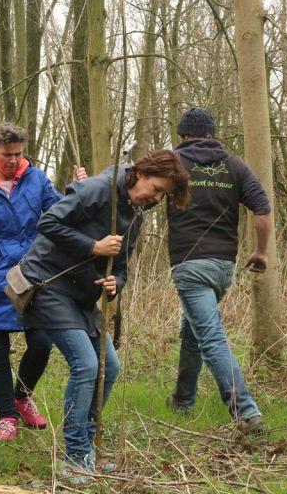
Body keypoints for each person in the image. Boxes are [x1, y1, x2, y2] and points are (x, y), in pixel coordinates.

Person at [19, 149, 190, 483]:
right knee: (86, 364)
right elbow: (48, 222)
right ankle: (74, 457)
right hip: (48, 284)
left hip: (82, 296)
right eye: (154, 188)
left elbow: (123, 265)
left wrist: (115, 283)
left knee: (109, 366)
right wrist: (93, 247)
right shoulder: (98, 189)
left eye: (161, 195)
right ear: (141, 172)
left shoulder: (137, 214)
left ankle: (88, 448)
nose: (154, 198)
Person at [0, 122, 87, 441]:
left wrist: (78, 190)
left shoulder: (36, 179)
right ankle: (6, 417)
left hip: (32, 276)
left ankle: (22, 397)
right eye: (6, 155)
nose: (13, 160)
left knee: (41, 342)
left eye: (18, 154)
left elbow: (61, 213)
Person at [165, 107, 271, 433]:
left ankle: (246, 412)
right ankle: (183, 400)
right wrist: (260, 252)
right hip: (224, 266)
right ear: (212, 134)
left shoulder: (172, 163)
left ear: (183, 136)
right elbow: (262, 210)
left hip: (190, 265)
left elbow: (139, 192)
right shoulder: (235, 165)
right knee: (193, 330)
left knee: (210, 336)